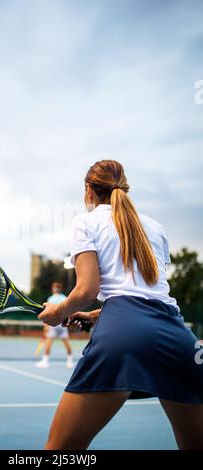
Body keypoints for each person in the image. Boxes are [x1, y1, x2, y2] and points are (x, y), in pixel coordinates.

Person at [38, 159, 203, 450]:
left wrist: (58, 311)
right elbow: (148, 296)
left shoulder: (85, 222)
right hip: (178, 337)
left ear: (88, 190)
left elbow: (88, 288)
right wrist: (98, 315)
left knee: (60, 450)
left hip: (122, 335)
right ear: (124, 187)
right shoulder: (155, 227)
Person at [36, 281, 74, 369]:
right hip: (63, 323)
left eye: (54, 287)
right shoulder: (65, 298)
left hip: (54, 323)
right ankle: (70, 362)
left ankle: (45, 362)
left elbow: (48, 313)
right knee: (66, 342)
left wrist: (46, 326)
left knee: (49, 341)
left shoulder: (50, 299)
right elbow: (68, 310)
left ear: (54, 289)